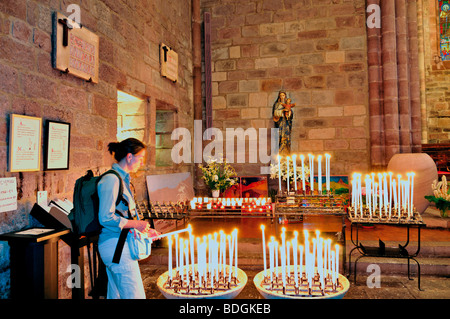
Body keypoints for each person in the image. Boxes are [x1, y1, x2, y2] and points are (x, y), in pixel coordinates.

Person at [97, 137, 160, 299]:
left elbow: (124, 214)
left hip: (121, 245)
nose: (141, 163)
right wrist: (136, 224)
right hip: (116, 247)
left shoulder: (123, 180)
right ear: (129, 156)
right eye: (140, 158)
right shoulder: (111, 180)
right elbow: (105, 217)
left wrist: (144, 230)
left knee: (116, 296)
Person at [272, 91, 294, 155]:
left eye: (283, 95)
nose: (282, 97)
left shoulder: (287, 104)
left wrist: (289, 113)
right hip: (280, 123)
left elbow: (291, 115)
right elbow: (275, 113)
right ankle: (279, 154)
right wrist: (282, 111)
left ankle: (287, 154)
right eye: (281, 95)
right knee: (280, 138)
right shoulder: (277, 104)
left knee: (287, 138)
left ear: (285, 96)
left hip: (287, 123)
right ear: (279, 96)